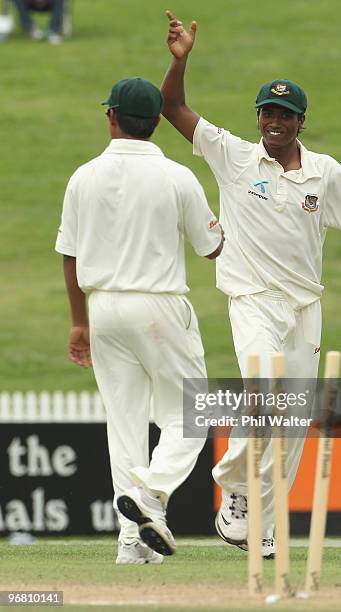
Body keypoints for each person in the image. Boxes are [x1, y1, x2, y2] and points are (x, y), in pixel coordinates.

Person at [161, 10, 341, 558]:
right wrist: (180, 60)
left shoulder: (323, 172)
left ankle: (262, 518)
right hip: (252, 299)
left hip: (304, 308)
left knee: (292, 422)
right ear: (258, 116)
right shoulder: (234, 156)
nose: (274, 122)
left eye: (285, 115)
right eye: (267, 112)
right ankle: (237, 492)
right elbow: (173, 108)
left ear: (300, 122)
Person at [55, 77, 224, 563]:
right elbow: (212, 248)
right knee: (192, 418)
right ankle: (150, 495)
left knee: (125, 426)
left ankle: (132, 542)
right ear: (155, 124)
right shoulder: (176, 177)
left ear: (111, 117)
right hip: (160, 304)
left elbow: (69, 255)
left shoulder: (83, 176)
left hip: (104, 308)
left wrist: (78, 322)